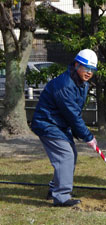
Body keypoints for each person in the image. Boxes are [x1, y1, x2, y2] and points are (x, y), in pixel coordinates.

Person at [31, 49, 98, 207]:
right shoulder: (65, 85)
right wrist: (88, 136)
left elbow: (74, 113)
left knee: (71, 154)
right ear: (76, 65)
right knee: (65, 155)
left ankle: (55, 188)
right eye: (85, 68)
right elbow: (72, 114)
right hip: (47, 123)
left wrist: (81, 134)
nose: (89, 72)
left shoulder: (82, 84)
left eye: (92, 70)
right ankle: (61, 196)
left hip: (59, 124)